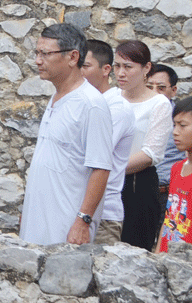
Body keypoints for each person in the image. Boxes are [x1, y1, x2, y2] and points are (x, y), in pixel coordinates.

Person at [19, 23, 112, 246]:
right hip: (38, 222)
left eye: (45, 53)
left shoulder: (91, 105)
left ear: (72, 57)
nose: (38, 61)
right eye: (37, 53)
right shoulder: (56, 98)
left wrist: (83, 221)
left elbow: (101, 168)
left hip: (66, 227)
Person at [113, 40, 172, 251]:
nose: (120, 73)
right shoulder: (110, 98)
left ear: (146, 68)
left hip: (137, 184)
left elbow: (151, 153)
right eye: (117, 65)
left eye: (128, 67)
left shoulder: (159, 104)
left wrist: (108, 168)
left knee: (134, 249)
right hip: (104, 183)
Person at [81, 40, 136, 245]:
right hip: (75, 207)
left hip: (103, 214)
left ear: (106, 70)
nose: (80, 72)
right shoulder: (82, 102)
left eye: (85, 66)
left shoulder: (116, 107)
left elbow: (89, 154)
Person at [156, 95, 192, 253]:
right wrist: (158, 254)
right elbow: (169, 217)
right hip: (168, 258)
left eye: (183, 125)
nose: (175, 132)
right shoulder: (176, 168)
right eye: (174, 125)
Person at [147, 63, 185, 224]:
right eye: (149, 87)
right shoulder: (133, 115)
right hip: (140, 191)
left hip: (170, 192)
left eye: (161, 88)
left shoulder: (183, 119)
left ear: (173, 90)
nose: (155, 92)